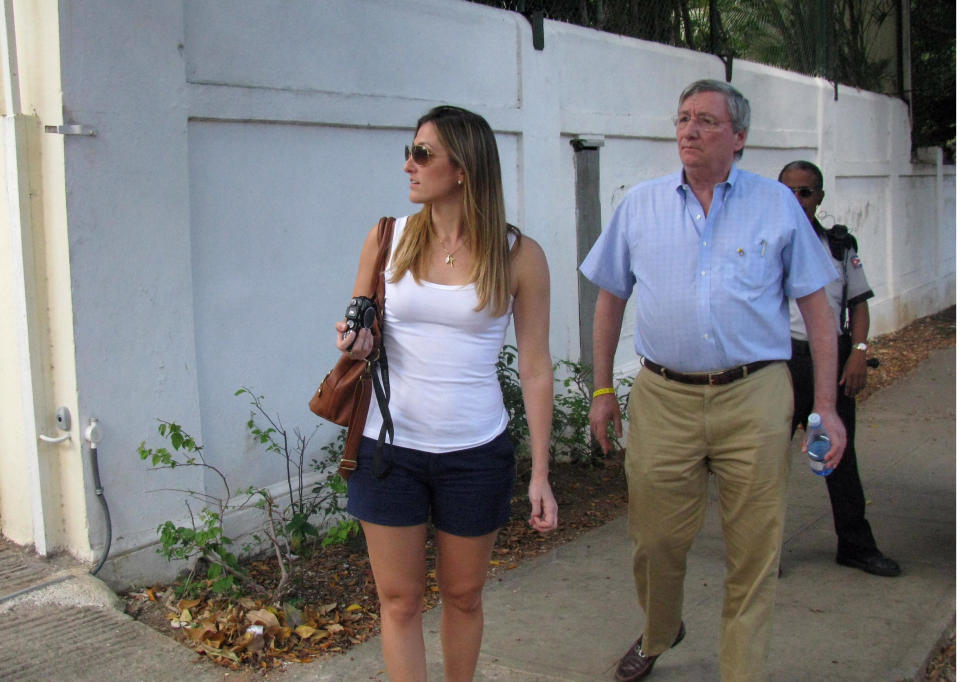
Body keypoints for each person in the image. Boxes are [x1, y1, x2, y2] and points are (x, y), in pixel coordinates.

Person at [580, 79, 846, 682]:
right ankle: (660, 627)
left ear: (739, 137)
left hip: (754, 394)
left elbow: (818, 313)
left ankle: (741, 672)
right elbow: (609, 300)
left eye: (705, 120)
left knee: (755, 549)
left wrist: (825, 407)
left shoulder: (777, 206)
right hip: (662, 396)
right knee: (654, 542)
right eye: (682, 118)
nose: (689, 130)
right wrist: (601, 391)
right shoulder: (640, 205)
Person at [334, 105, 558, 682]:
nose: (409, 165)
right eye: (408, 152)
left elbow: (535, 367)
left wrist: (540, 472)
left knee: (463, 596)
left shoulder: (519, 255)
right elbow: (362, 326)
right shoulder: (388, 238)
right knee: (400, 602)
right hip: (388, 449)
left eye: (422, 154)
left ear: (463, 167)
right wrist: (357, 341)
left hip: (475, 452)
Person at [779, 160, 901, 577]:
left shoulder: (837, 245)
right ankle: (762, 551)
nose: (797, 200)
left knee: (835, 457)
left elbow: (857, 304)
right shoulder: (766, 242)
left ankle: (855, 545)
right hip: (779, 364)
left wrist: (859, 352)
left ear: (820, 197)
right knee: (767, 462)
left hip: (828, 361)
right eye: (789, 191)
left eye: (806, 192)